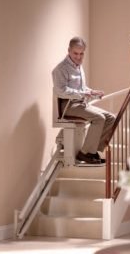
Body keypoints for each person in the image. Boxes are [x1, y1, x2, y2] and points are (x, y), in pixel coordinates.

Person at [52, 37, 115, 165]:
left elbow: (81, 89)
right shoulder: (61, 69)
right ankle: (85, 153)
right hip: (68, 106)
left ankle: (91, 152)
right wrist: (83, 93)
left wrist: (92, 92)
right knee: (99, 118)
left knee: (111, 118)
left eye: (81, 54)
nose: (79, 57)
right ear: (69, 50)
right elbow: (60, 91)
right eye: (75, 53)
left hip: (80, 104)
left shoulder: (79, 67)